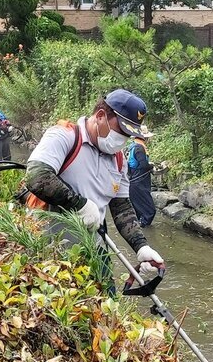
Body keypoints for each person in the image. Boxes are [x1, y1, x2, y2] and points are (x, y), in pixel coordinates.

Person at [25, 89, 164, 292]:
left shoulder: (119, 160)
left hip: (93, 248)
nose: (123, 140)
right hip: (50, 250)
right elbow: (36, 176)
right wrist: (78, 204)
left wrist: (140, 246)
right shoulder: (64, 136)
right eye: (121, 131)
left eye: (129, 135)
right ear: (100, 116)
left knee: (107, 307)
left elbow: (122, 208)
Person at [126, 130, 156, 227]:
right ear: (144, 138)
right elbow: (143, 165)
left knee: (138, 210)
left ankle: (137, 227)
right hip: (139, 182)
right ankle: (145, 228)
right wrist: (151, 166)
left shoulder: (131, 147)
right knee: (150, 211)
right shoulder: (139, 148)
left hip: (132, 181)